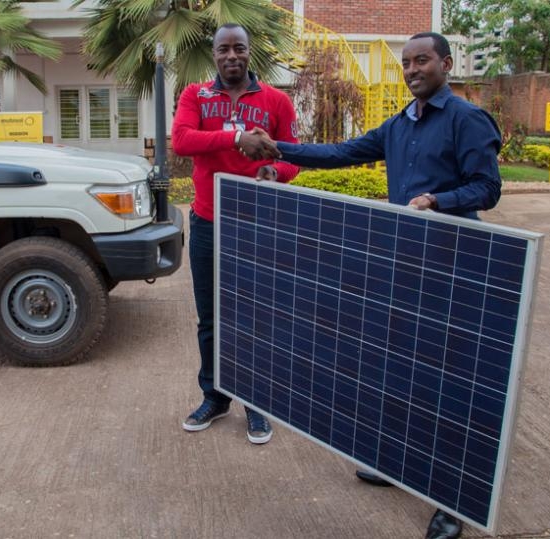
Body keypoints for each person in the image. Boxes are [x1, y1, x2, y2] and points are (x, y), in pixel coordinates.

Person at [242, 32, 501, 539]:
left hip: (450, 266)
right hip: (402, 263)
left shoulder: (466, 119)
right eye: (405, 62)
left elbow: (487, 187)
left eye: (421, 60)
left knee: (443, 384)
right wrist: (281, 150)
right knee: (397, 369)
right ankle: (397, 463)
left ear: (446, 64)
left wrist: (437, 201)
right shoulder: (399, 123)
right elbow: (343, 152)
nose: (411, 69)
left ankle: (450, 497)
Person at [171, 23, 300, 444]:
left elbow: (292, 156)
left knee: (256, 317)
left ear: (249, 54)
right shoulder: (195, 95)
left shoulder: (276, 100)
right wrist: (237, 137)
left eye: (239, 49)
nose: (231, 56)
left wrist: (274, 172)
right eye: (224, 49)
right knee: (210, 318)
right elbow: (182, 141)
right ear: (214, 54)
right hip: (208, 222)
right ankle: (216, 396)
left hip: (257, 223)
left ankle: (256, 402)